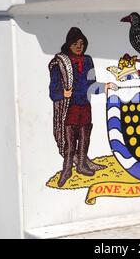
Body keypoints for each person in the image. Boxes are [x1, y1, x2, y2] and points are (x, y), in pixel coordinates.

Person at [49, 27, 117, 187]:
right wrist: (63, 94)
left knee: (85, 138)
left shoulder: (87, 61)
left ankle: (81, 165)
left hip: (85, 107)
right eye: (75, 43)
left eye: (81, 43)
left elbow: (91, 85)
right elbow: (53, 91)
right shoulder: (59, 63)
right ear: (69, 45)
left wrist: (105, 86)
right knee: (70, 143)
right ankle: (67, 170)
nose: (79, 46)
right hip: (70, 108)